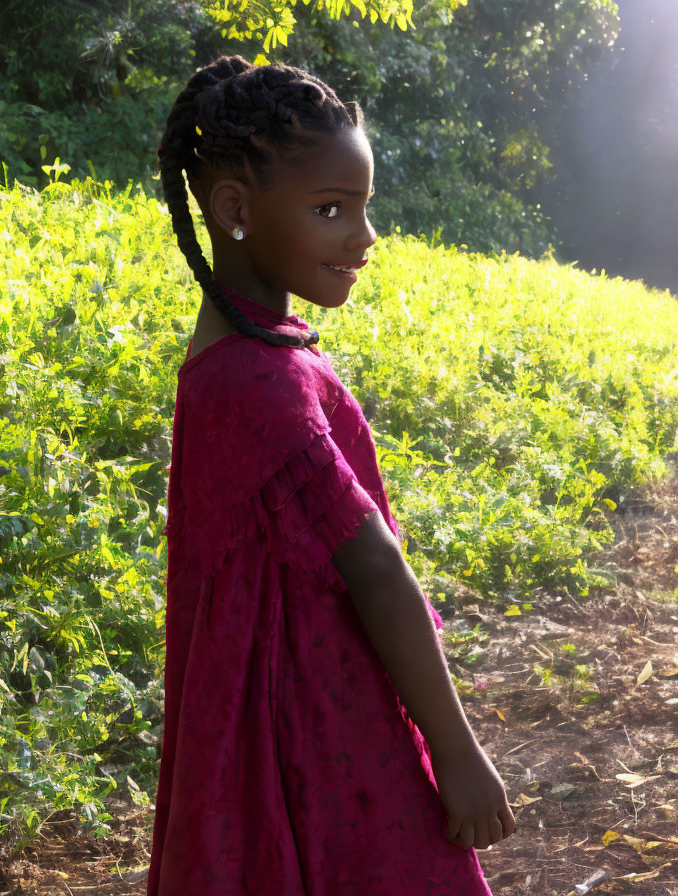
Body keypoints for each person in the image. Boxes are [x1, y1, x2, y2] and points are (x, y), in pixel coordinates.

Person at [146, 54, 515, 896]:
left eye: (364, 208)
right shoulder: (260, 381)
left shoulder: (247, 355)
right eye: (329, 209)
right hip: (315, 731)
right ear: (234, 210)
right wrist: (456, 752)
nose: (364, 235)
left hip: (276, 722)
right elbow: (377, 570)